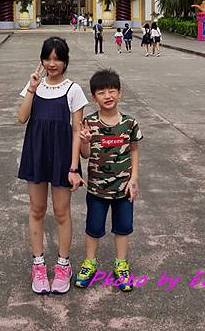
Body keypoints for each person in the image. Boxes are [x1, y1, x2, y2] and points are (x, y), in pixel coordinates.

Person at [17, 37, 88, 294]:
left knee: (61, 212)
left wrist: (73, 168)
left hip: (61, 156)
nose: (52, 63)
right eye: (47, 58)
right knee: (36, 210)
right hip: (36, 153)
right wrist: (32, 89)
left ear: (66, 61)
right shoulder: (34, 85)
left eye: (57, 58)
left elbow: (77, 131)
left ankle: (63, 265)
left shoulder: (73, 90)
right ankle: (38, 264)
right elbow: (22, 117)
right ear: (42, 59)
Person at [75, 69, 143, 292]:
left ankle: (121, 264)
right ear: (94, 97)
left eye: (112, 90)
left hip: (123, 189)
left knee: (123, 228)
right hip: (96, 189)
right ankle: (90, 262)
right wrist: (84, 141)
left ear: (120, 93)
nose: (107, 95)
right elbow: (85, 154)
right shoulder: (89, 122)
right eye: (101, 92)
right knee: (93, 228)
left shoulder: (129, 123)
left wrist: (134, 179)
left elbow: (134, 150)